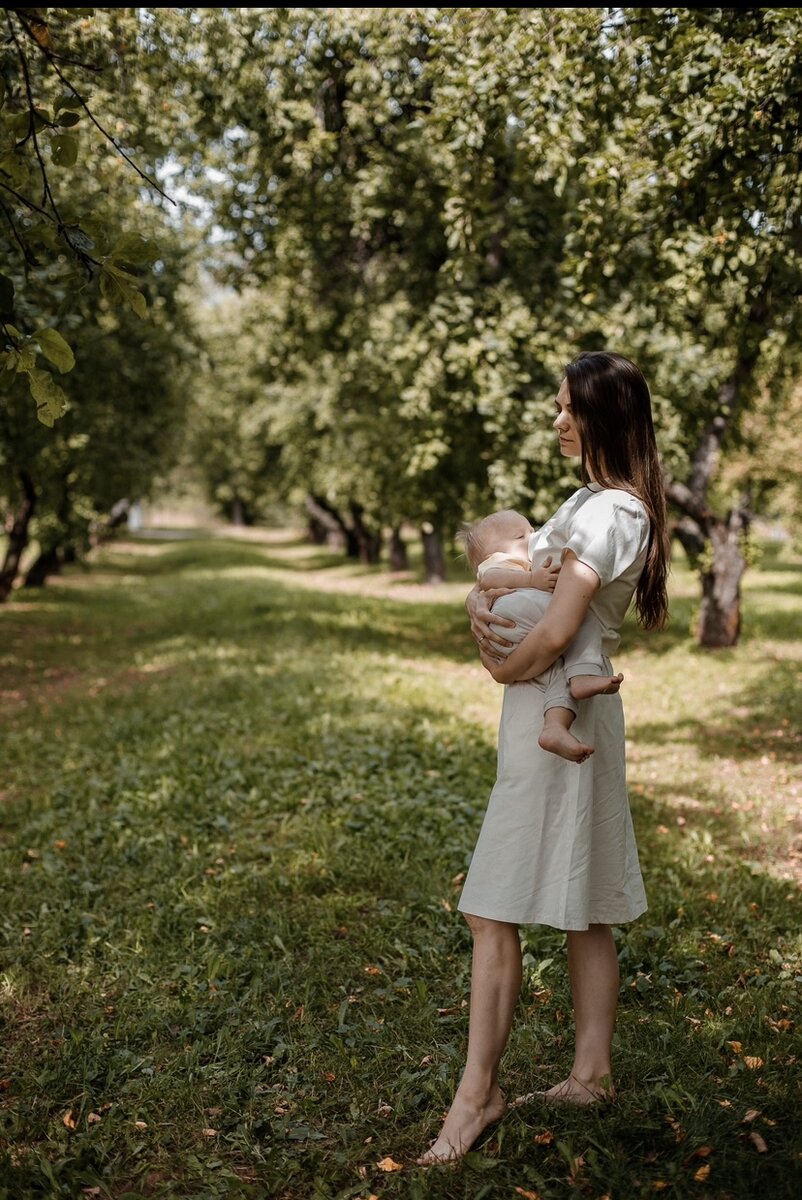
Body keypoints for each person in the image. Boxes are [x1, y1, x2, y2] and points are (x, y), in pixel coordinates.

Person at [418, 350, 670, 1166]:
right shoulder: (590, 503)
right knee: (586, 903)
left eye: (568, 408)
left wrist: (499, 665)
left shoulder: (613, 513)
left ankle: (476, 1096)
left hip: (555, 721)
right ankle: (591, 1073)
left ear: (605, 416)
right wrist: (476, 595)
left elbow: (559, 628)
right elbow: (520, 571)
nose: (556, 419)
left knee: (489, 907)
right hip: (564, 718)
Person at [462, 508, 624, 763]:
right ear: (494, 552)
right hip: (512, 611)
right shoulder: (497, 565)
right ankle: (583, 673)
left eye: (532, 530)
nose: (533, 537)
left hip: (514, 626)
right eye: (520, 536)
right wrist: (531, 579)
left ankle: (554, 725)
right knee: (583, 616)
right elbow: (491, 578)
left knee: (558, 666)